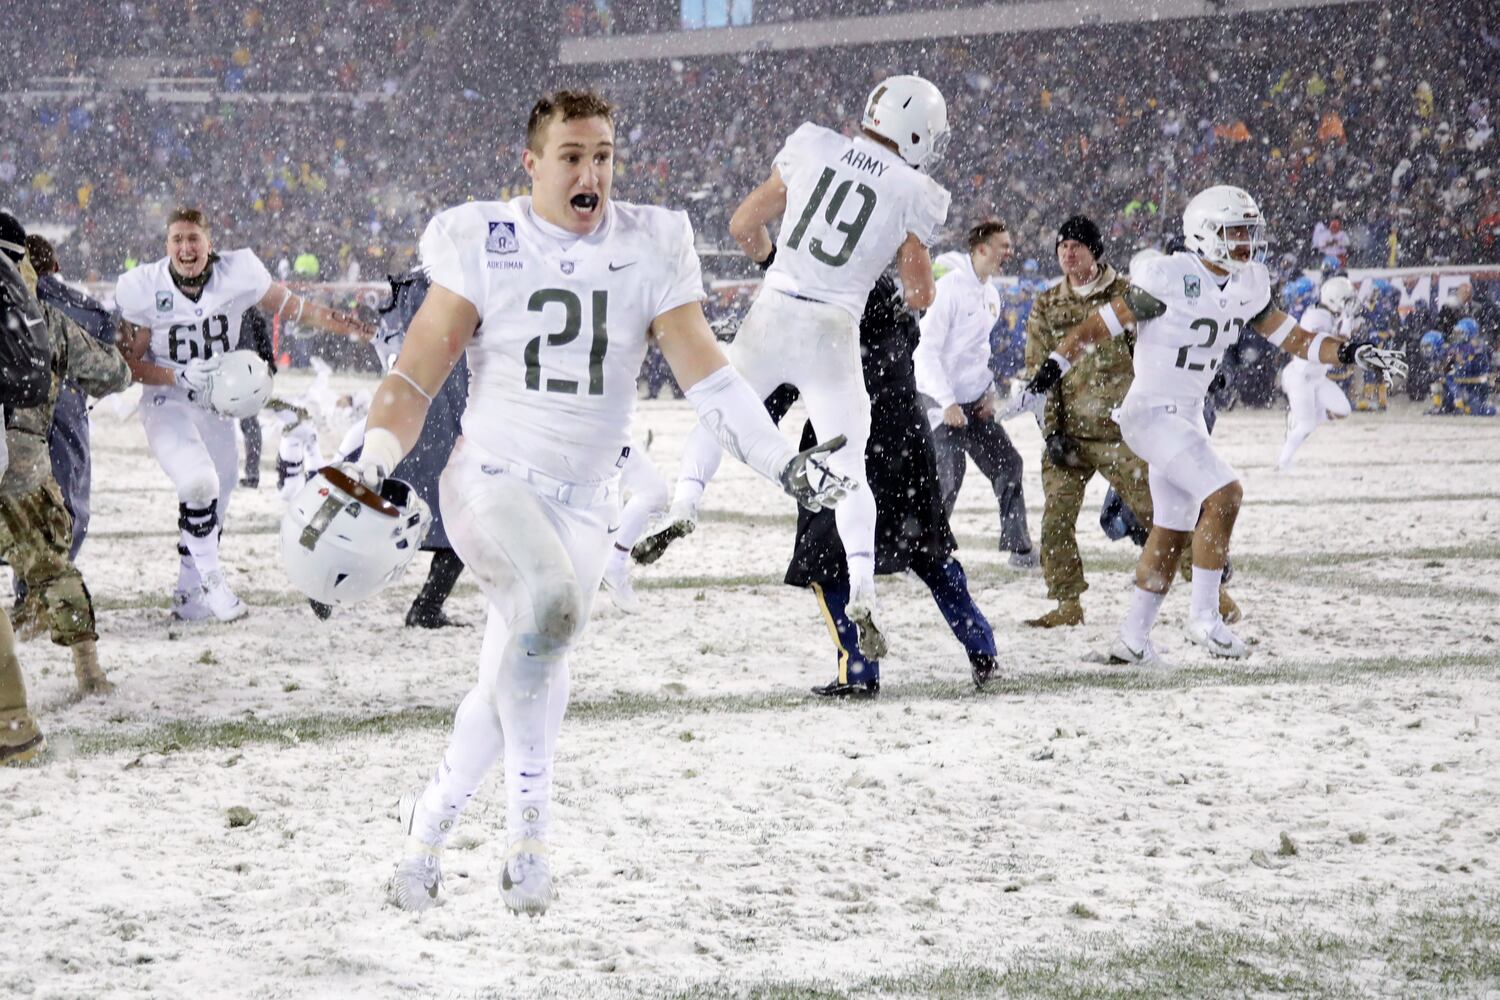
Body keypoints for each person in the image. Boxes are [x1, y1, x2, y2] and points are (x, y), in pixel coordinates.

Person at [348, 91, 850, 916]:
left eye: (604, 155)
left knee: (520, 669)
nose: (592, 173)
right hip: (491, 480)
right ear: (533, 163)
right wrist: (373, 455)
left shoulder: (650, 244)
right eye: (573, 156)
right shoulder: (487, 240)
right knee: (547, 611)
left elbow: (709, 375)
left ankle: (426, 830)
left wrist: (778, 463)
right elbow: (412, 376)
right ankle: (528, 839)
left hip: (583, 504)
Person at [1006, 185, 1404, 663]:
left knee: (1172, 527)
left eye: (1248, 232)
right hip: (1150, 411)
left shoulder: (1248, 282)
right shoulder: (1170, 277)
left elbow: (1292, 337)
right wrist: (1049, 371)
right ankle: (1204, 619)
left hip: (1187, 413)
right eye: (1235, 231)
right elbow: (1098, 326)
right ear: (1205, 233)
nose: (1245, 243)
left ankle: (1132, 640)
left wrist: (1349, 351)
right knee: (1226, 494)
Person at [635, 74, 952, 659]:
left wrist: (778, 260)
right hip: (833, 330)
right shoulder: (915, 190)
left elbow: (741, 226)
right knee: (848, 463)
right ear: (917, 133)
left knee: (719, 409)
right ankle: (862, 588)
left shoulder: (816, 146)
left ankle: (684, 503)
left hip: (774, 311)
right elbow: (920, 292)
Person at [113, 207, 372, 623]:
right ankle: (214, 581)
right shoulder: (145, 288)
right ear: (166, 246)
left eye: (193, 238)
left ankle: (187, 592)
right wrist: (176, 374)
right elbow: (127, 365)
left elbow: (294, 308)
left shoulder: (239, 273)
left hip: (216, 404)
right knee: (199, 482)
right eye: (177, 239)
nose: (186, 247)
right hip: (168, 400)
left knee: (221, 491)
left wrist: (348, 326)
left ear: (209, 242)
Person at [786, 274, 998, 697]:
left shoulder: (825, 305)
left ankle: (859, 670)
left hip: (848, 440)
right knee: (928, 554)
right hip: (907, 440)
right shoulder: (892, 303)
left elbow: (786, 377)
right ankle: (982, 647)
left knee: (825, 561)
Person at [0, 212, 131, 704]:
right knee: (55, 571)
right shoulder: (46, 320)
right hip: (27, 469)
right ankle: (89, 671)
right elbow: (112, 372)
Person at [324, 268, 472, 626]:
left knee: (368, 506)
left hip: (403, 421)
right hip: (440, 424)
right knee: (463, 521)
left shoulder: (415, 295)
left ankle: (328, 579)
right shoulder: (468, 294)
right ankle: (427, 606)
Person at [1023, 215, 1144, 627]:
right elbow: (1039, 371)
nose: (1068, 253)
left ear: (1096, 250)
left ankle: (1209, 589)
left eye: (1076, 245)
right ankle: (1066, 604)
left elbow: (1148, 354)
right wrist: (1052, 431)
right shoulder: (1048, 303)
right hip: (1069, 433)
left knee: (1160, 510)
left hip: (1121, 430)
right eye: (1062, 247)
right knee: (1055, 521)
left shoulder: (1125, 294)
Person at [913, 219, 1036, 567]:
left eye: (1009, 245)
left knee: (1008, 464)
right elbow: (925, 353)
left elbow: (978, 351)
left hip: (973, 404)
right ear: (981, 249)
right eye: (1002, 246)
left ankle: (1020, 550)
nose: (1008, 252)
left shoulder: (992, 293)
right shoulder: (948, 290)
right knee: (948, 477)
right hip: (940, 403)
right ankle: (922, 555)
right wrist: (947, 402)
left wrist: (988, 392)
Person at [1276, 276, 1357, 470]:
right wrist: (1347, 322)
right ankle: (1283, 463)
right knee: (1307, 426)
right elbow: (1334, 347)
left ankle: (1301, 416)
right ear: (1333, 299)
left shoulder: (1327, 314)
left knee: (1343, 410)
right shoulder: (1316, 318)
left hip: (1317, 378)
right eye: (1345, 300)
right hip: (1300, 377)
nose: (1348, 305)